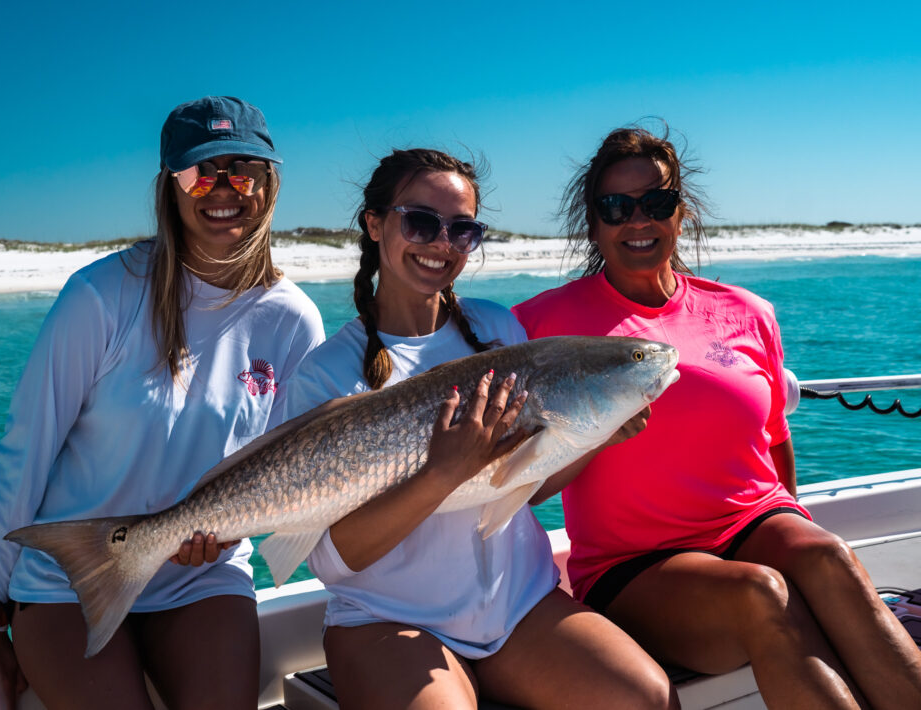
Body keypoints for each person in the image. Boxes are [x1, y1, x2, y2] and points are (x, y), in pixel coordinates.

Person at [512, 125, 921, 709]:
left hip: (755, 521)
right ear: (593, 220)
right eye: (616, 207)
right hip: (636, 565)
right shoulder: (537, 325)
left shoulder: (747, 312)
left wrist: (796, 529)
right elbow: (506, 464)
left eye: (656, 203)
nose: (638, 220)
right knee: (761, 593)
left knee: (827, 555)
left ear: (681, 212)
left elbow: (776, 441)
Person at [284, 148, 677, 710]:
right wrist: (442, 473)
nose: (441, 243)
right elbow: (334, 558)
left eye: (462, 230)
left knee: (648, 697)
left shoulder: (497, 327)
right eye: (421, 221)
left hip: (519, 606)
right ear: (374, 224)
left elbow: (523, 485)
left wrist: (597, 436)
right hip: (388, 623)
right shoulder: (326, 375)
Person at [0, 96, 325, 710]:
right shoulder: (101, 297)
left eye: (242, 169)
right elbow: (25, 451)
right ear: (170, 185)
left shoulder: (293, 321)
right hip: (69, 578)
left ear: (268, 184)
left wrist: (234, 529)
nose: (222, 189)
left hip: (201, 577)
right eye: (199, 171)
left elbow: (302, 476)